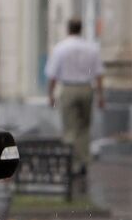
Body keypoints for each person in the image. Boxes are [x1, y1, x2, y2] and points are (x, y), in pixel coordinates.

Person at [44, 17, 104, 174]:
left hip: (68, 89)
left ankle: (73, 162)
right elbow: (98, 74)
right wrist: (101, 96)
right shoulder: (91, 48)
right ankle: (84, 160)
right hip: (86, 88)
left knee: (70, 128)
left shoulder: (61, 48)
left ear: (68, 29)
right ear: (81, 29)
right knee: (84, 127)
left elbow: (52, 75)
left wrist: (50, 94)